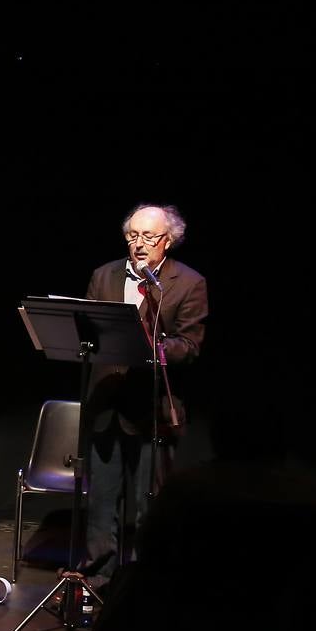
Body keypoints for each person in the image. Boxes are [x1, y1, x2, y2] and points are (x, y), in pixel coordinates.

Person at [81, 203, 207, 587]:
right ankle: (99, 578)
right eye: (133, 235)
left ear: (168, 241)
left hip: (151, 409)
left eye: (149, 237)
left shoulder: (188, 282)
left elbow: (191, 344)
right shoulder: (104, 275)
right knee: (101, 502)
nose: (139, 244)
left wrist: (154, 348)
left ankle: (143, 584)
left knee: (147, 504)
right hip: (107, 404)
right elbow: (85, 329)